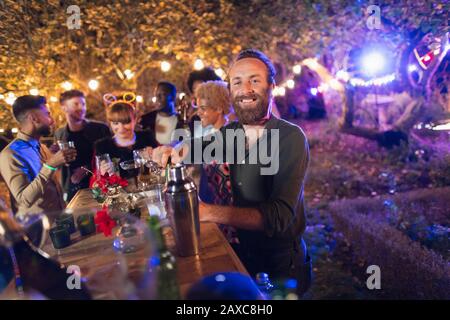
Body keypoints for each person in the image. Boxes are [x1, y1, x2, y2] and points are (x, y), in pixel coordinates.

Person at [153, 49, 312, 296]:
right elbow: (191, 150)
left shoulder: (289, 137)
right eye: (237, 82)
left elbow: (279, 217)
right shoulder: (231, 133)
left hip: (280, 267)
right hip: (240, 257)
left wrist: (206, 212)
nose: (245, 88)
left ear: (271, 86)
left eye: (254, 80)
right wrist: (168, 151)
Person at [0, 95, 76, 218]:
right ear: (34, 118)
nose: (52, 120)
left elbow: (50, 186)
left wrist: (59, 161)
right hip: (41, 231)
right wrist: (50, 165)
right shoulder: (10, 154)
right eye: (47, 114)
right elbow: (24, 199)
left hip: (61, 221)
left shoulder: (42, 147)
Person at [194, 80, 238, 245]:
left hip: (232, 224)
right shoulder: (209, 135)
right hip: (213, 216)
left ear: (219, 108)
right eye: (197, 108)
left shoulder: (231, 137)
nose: (198, 113)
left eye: (203, 108)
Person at [54, 90, 111, 202]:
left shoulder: (100, 129)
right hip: (73, 191)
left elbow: (110, 157)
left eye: (83, 104)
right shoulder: (59, 134)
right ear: (64, 108)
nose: (82, 108)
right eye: (76, 104)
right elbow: (60, 166)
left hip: (100, 186)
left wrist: (85, 169)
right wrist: (55, 156)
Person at [94, 101, 159, 179]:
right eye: (115, 123)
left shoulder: (147, 137)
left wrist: (155, 157)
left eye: (126, 122)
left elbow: (160, 168)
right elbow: (98, 179)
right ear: (110, 123)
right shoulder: (102, 146)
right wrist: (102, 173)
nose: (121, 128)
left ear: (135, 120)